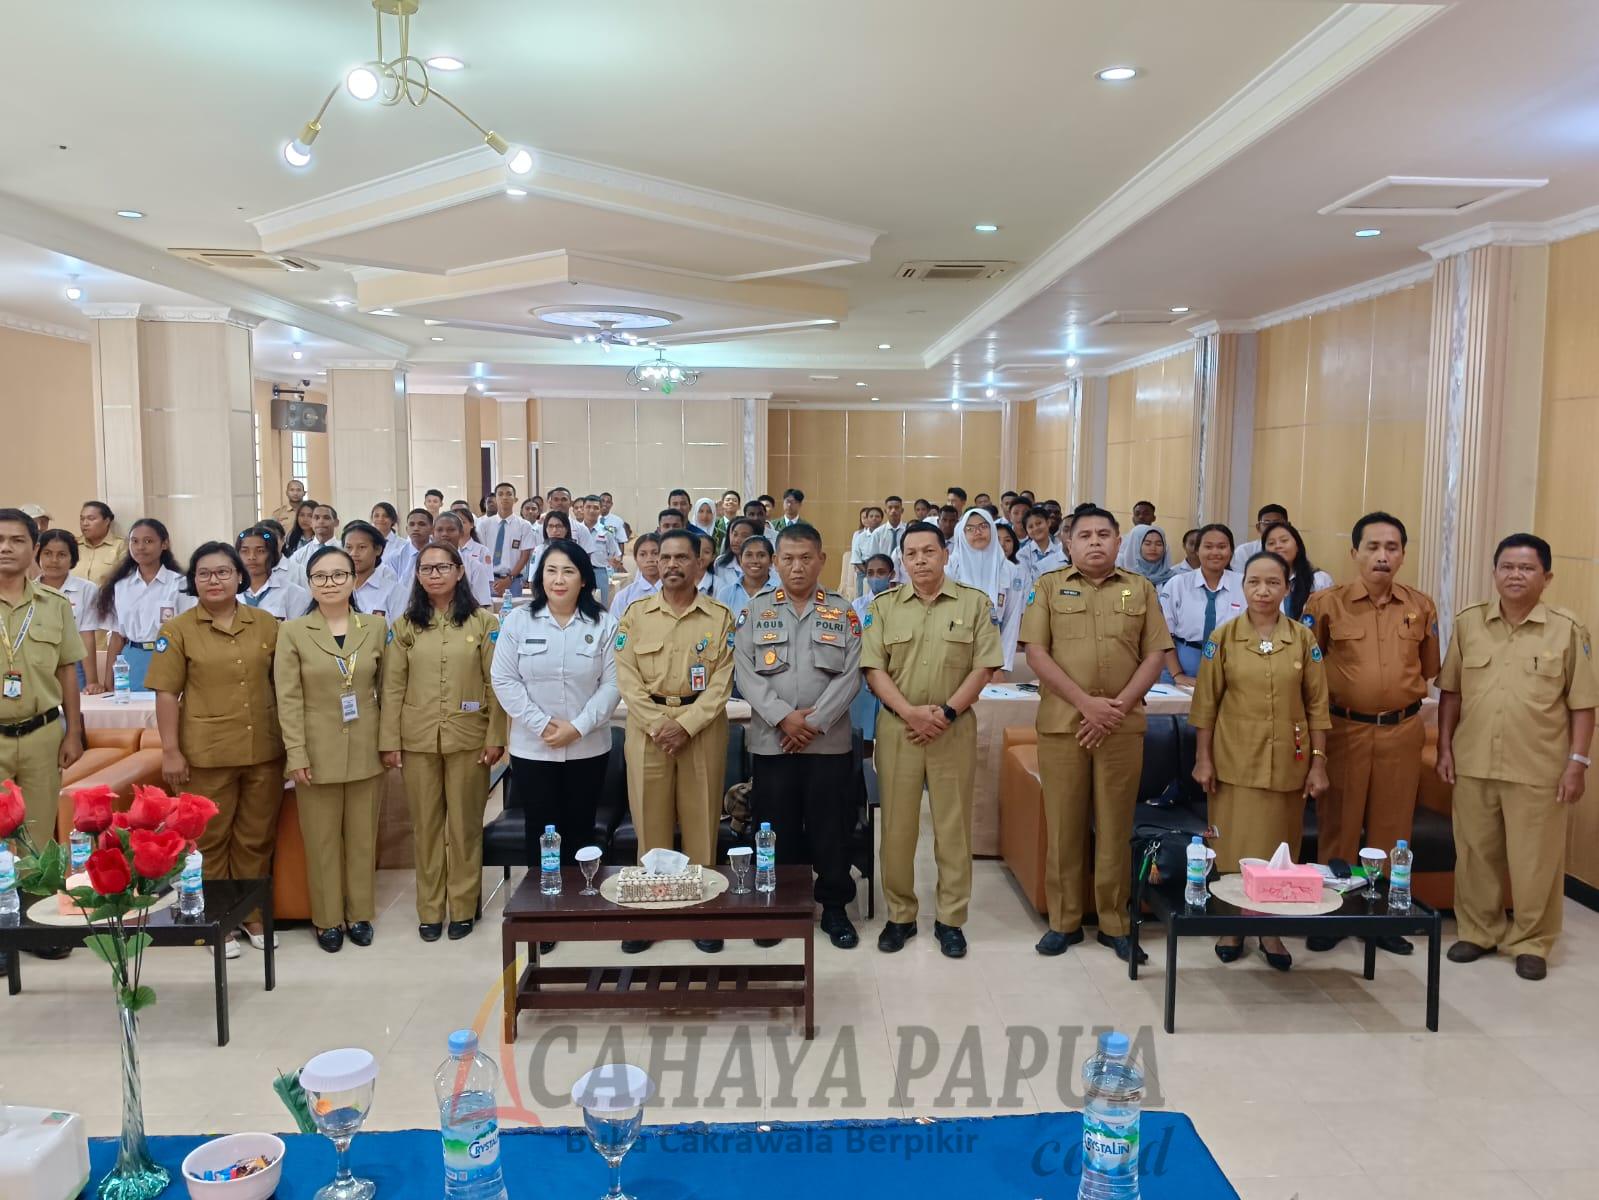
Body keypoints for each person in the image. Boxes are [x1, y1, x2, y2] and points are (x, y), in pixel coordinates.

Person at [1436, 533, 1598, 981]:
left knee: (1535, 862)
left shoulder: (1567, 629)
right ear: (1494, 573)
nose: (1515, 575)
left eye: (1527, 568)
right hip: (1473, 762)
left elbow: (1583, 705)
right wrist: (1444, 747)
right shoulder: (1469, 623)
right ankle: (1479, 931)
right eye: (1507, 567)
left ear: (1547, 577)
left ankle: (1531, 941)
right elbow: (1451, 692)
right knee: (1475, 855)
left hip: (1538, 767)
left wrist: (1578, 763)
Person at [1021, 506, 1172, 964]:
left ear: (1118, 541)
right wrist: (1087, 704)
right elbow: (1036, 653)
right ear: (1069, 543)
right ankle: (1064, 922)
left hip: (1121, 727)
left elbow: (1155, 655)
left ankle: (1115, 923)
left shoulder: (1140, 588)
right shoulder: (1048, 586)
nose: (1094, 542)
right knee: (1064, 826)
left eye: (1103, 534)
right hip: (1064, 725)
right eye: (1084, 535)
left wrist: (1116, 707)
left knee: (1115, 827)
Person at [861, 521, 1002, 958]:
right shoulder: (884, 606)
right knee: (897, 828)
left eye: (928, 551)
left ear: (945, 554)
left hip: (952, 730)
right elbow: (873, 668)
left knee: (952, 826)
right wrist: (909, 712)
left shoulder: (975, 604)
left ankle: (950, 919)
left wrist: (947, 712)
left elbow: (984, 667)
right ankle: (900, 916)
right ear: (902, 560)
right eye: (911, 553)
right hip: (898, 729)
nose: (920, 560)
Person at [1303, 512, 1439, 957]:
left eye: (1392, 548)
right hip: (1344, 729)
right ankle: (1333, 914)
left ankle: (1382, 917)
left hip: (1402, 730)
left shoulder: (1421, 606)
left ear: (1402, 555)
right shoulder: (1325, 605)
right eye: (1373, 547)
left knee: (1392, 831)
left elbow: (1429, 667)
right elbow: (1310, 671)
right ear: (1355, 552)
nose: (1382, 556)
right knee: (1338, 828)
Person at [1189, 550, 1331, 971]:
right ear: (1243, 586)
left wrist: (1319, 763)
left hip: (1289, 763)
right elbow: (1205, 704)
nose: (1263, 591)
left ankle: (1270, 930)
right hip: (1233, 762)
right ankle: (1232, 926)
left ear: (1287, 588)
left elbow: (1317, 706)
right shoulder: (1223, 638)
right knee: (1231, 848)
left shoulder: (1303, 639)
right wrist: (1202, 759)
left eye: (1273, 582)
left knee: (1279, 852)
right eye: (1254, 582)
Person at [147, 540, 283, 957]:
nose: (214, 580)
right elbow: (166, 694)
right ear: (193, 581)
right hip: (206, 755)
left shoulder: (266, 623)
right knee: (209, 841)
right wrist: (170, 751)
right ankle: (217, 921)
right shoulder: (178, 630)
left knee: (256, 838)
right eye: (204, 574)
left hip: (263, 750)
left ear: (240, 576)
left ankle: (251, 914)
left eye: (223, 571)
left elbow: (284, 685)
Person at [734, 524, 863, 949]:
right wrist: (783, 718)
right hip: (773, 743)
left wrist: (813, 722)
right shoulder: (755, 610)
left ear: (821, 559)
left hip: (828, 743)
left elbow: (852, 674)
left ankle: (835, 906)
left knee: (831, 827)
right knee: (775, 828)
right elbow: (745, 672)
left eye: (806, 558)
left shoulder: (842, 611)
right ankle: (780, 905)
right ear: (775, 562)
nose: (797, 567)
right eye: (787, 559)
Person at [491, 538, 619, 951]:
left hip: (588, 747)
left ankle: (579, 905)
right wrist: (542, 724)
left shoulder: (604, 624)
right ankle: (542, 912)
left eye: (568, 571)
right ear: (539, 577)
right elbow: (504, 679)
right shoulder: (518, 621)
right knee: (541, 829)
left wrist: (577, 727)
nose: (558, 579)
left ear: (584, 579)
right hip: (533, 749)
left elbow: (613, 684)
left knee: (581, 827)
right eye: (551, 570)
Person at [613, 528, 736, 954]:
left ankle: (702, 912)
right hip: (647, 731)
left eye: (681, 557)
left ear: (700, 563)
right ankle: (652, 912)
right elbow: (626, 676)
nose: (670, 565)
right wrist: (657, 724)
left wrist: (685, 725)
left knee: (702, 822)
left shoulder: (719, 617)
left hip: (702, 729)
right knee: (650, 823)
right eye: (663, 557)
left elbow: (722, 682)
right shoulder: (636, 615)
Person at [380, 543, 505, 942]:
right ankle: (431, 910)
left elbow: (496, 685)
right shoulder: (405, 626)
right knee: (426, 828)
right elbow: (392, 687)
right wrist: (389, 741)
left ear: (459, 571)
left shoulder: (483, 622)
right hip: (417, 740)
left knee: (465, 827)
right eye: (426, 568)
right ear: (417, 575)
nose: (434, 575)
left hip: (470, 739)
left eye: (442, 567)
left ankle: (464, 908)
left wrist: (496, 736)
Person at [274, 545, 387, 953]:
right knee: (321, 840)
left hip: (366, 747)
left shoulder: (375, 627)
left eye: (339, 575)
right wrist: (296, 753)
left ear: (354, 580)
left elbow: (387, 690)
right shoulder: (293, 631)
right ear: (309, 584)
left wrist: (388, 743)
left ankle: (359, 914)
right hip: (316, 750)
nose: (330, 583)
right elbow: (288, 699)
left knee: (362, 838)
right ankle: (327, 920)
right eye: (320, 577)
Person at [0, 509, 85, 853]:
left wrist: (74, 733)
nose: (6, 547)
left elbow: (67, 670)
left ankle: (36, 889)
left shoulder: (55, 604)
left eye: (17, 540)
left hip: (42, 736)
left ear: (34, 549)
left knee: (38, 845)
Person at [96, 518, 191, 691]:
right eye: (135, 541)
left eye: (148, 541)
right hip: (131, 658)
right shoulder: (121, 586)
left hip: (169, 656)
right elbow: (117, 637)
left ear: (164, 544)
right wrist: (108, 679)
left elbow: (190, 632)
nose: (140, 547)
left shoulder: (180, 584)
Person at [1159, 524, 1245, 686]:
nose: (1215, 552)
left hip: (1230, 670)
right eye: (1208, 546)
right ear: (1197, 550)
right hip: (1181, 669)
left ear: (1231, 551)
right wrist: (1178, 675)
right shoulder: (1178, 584)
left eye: (1222, 547)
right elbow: (1164, 636)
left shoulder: (1243, 584)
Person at [947, 509, 1026, 672]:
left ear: (992, 529)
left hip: (993, 649)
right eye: (970, 528)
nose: (977, 532)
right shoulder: (951, 568)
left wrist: (1001, 666)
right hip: (954, 651)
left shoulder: (1009, 570)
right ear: (962, 533)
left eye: (983, 526)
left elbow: (1011, 620)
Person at [36, 530, 103, 694]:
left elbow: (86, 636)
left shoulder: (86, 589)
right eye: (47, 553)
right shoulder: (28, 589)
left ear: (72, 558)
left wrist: (92, 681)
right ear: (37, 555)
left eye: (62, 554)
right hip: (35, 663)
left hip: (73, 663)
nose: (54, 560)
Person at [851, 554, 895, 746]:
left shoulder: (900, 605)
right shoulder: (857, 605)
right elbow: (852, 643)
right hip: (863, 678)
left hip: (893, 677)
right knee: (863, 738)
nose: (875, 577)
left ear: (891, 574)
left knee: (889, 737)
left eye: (881, 572)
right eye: (870, 573)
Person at [1261, 521, 1332, 620]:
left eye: (1284, 540)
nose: (1278, 546)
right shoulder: (1260, 583)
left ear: (1298, 546)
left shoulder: (1319, 580)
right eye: (1271, 543)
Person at [237, 525, 311, 620]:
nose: (252, 557)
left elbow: (299, 627)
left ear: (272, 554)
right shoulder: (231, 592)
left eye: (260, 551)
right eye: (244, 551)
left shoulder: (294, 593)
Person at [479, 482, 535, 598]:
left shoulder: (524, 525)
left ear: (515, 499)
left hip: (514, 580)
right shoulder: (484, 525)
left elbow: (525, 556)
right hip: (489, 579)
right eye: (500, 494)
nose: (504, 497)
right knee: (489, 608)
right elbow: (481, 553)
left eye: (509, 494)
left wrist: (510, 578)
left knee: (513, 608)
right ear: (495, 499)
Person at [431, 512, 492, 607]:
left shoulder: (475, 566)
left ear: (461, 533)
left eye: (451, 530)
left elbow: (482, 604)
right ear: (433, 533)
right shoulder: (424, 565)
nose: (444, 534)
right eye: (439, 530)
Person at [341, 521, 398, 618]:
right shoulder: (335, 588)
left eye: (362, 547)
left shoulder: (394, 591)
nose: (353, 553)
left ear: (378, 549)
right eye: (348, 547)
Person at [716, 534, 774, 619]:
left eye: (761, 555)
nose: (755, 560)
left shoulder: (782, 592)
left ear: (772, 560)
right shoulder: (726, 594)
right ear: (740, 559)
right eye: (749, 555)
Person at [578, 495, 623, 600]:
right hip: (579, 572)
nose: (591, 510)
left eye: (596, 508)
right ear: (582, 509)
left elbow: (616, 554)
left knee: (601, 603)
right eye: (588, 507)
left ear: (600, 511)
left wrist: (615, 561)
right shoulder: (576, 530)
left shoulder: (606, 532)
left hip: (600, 572)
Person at [287, 503, 342, 587]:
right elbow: (290, 583)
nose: (321, 521)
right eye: (316, 518)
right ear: (311, 523)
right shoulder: (299, 555)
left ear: (336, 522)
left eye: (326, 517)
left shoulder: (345, 550)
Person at [75, 501, 125, 590]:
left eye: (91, 519)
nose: (85, 523)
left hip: (106, 597)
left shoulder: (121, 546)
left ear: (107, 521)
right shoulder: (73, 545)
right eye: (82, 519)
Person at [611, 533, 662, 617]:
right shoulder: (624, 597)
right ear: (635, 558)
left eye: (655, 553)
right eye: (643, 554)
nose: (649, 559)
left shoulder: (676, 592)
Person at [1118, 524, 1178, 591]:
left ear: (1164, 548)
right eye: (1147, 544)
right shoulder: (1129, 577)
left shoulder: (1174, 579)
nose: (1153, 548)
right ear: (1139, 547)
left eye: (1158, 544)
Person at [1231, 503, 1289, 572]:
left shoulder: (1292, 550)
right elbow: (1239, 577)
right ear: (1258, 527)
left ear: (1287, 525)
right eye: (1267, 523)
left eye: (1277, 523)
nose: (1271, 527)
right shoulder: (1244, 551)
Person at [387, 508, 435, 588]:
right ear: (407, 529)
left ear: (432, 529)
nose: (416, 528)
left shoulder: (441, 553)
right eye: (412, 524)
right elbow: (391, 586)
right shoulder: (395, 556)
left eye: (421, 524)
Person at [709, 517, 756, 596]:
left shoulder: (760, 564)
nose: (736, 540)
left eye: (744, 536)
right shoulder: (720, 563)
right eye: (735, 534)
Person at [1022, 506, 1068, 579]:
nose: (1036, 528)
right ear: (1026, 531)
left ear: (1048, 522)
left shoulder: (1062, 549)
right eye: (1030, 527)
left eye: (1039, 523)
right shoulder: (1022, 555)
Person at [850, 506, 886, 592]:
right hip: (864, 570)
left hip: (884, 570)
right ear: (867, 519)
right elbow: (856, 559)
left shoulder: (886, 535)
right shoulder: (860, 537)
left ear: (881, 519)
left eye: (877, 516)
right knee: (863, 597)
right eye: (871, 516)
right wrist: (868, 572)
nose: (874, 518)